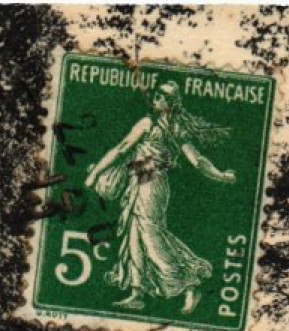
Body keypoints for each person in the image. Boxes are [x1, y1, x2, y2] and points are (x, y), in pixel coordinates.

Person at [84, 81, 236, 314]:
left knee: (150, 233)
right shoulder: (152, 123)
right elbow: (122, 148)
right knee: (134, 233)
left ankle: (189, 283)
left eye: (162, 95)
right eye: (156, 94)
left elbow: (197, 160)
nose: (156, 98)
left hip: (152, 184)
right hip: (139, 180)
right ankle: (137, 293)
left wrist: (221, 175)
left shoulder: (172, 128)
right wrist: (96, 172)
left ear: (171, 102)